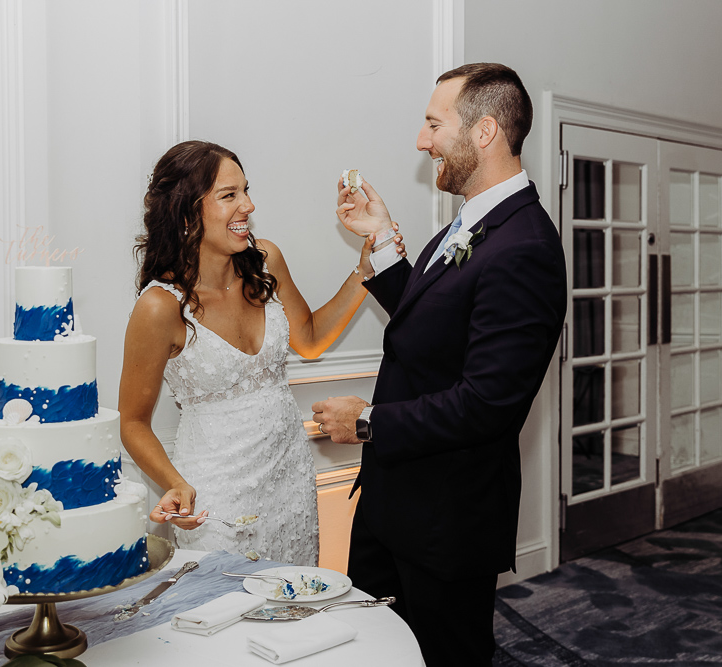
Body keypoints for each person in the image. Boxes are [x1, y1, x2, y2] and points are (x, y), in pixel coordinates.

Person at [311, 63, 568, 665]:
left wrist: (369, 422)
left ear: (484, 133)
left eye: (433, 124)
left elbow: (488, 402)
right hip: (392, 502)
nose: (422, 141)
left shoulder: (524, 244)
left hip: (447, 522)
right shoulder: (470, 224)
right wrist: (380, 240)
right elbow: (432, 330)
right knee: (376, 653)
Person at [119, 140, 405, 566]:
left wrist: (365, 269)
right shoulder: (160, 306)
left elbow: (309, 338)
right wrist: (174, 484)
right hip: (214, 491)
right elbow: (133, 422)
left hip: (288, 477)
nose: (248, 206)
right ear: (184, 212)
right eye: (229, 195)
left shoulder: (265, 262)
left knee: (293, 604)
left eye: (246, 191)